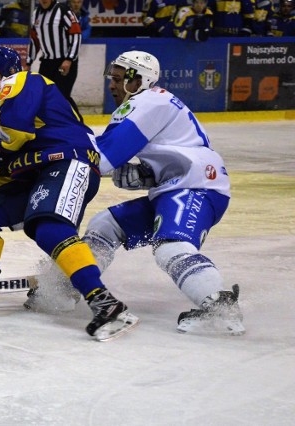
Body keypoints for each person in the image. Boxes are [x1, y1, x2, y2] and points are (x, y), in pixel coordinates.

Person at [0, 46, 138, 341]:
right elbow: (16, 162)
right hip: (44, 170)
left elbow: (14, 136)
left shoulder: (20, 81)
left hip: (67, 163)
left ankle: (104, 302)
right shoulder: (22, 104)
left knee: (49, 228)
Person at [80, 51, 244, 335]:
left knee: (171, 245)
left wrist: (52, 150)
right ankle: (70, 284)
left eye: (119, 79)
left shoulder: (147, 103)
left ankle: (220, 304)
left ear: (138, 80)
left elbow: (103, 158)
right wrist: (147, 175)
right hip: (177, 187)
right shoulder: (152, 102)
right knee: (104, 226)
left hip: (196, 187)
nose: (112, 86)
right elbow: (171, 152)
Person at [27, 0, 82, 110]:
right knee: (44, 96)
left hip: (64, 63)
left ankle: (77, 122)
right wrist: (29, 62)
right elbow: (34, 40)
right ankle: (51, 125)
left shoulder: (63, 11)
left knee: (61, 96)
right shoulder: (36, 13)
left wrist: (69, 60)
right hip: (46, 63)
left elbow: (76, 35)